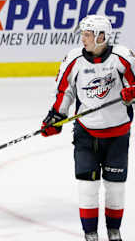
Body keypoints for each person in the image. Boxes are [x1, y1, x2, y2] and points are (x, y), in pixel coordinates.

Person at [40, 15, 134, 241]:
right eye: (82, 34)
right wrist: (56, 117)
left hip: (118, 134)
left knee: (115, 188)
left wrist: (132, 93)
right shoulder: (74, 60)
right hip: (86, 132)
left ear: (102, 36)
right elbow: (65, 91)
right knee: (87, 187)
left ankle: (114, 231)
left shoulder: (122, 58)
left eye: (88, 34)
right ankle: (90, 234)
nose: (83, 38)